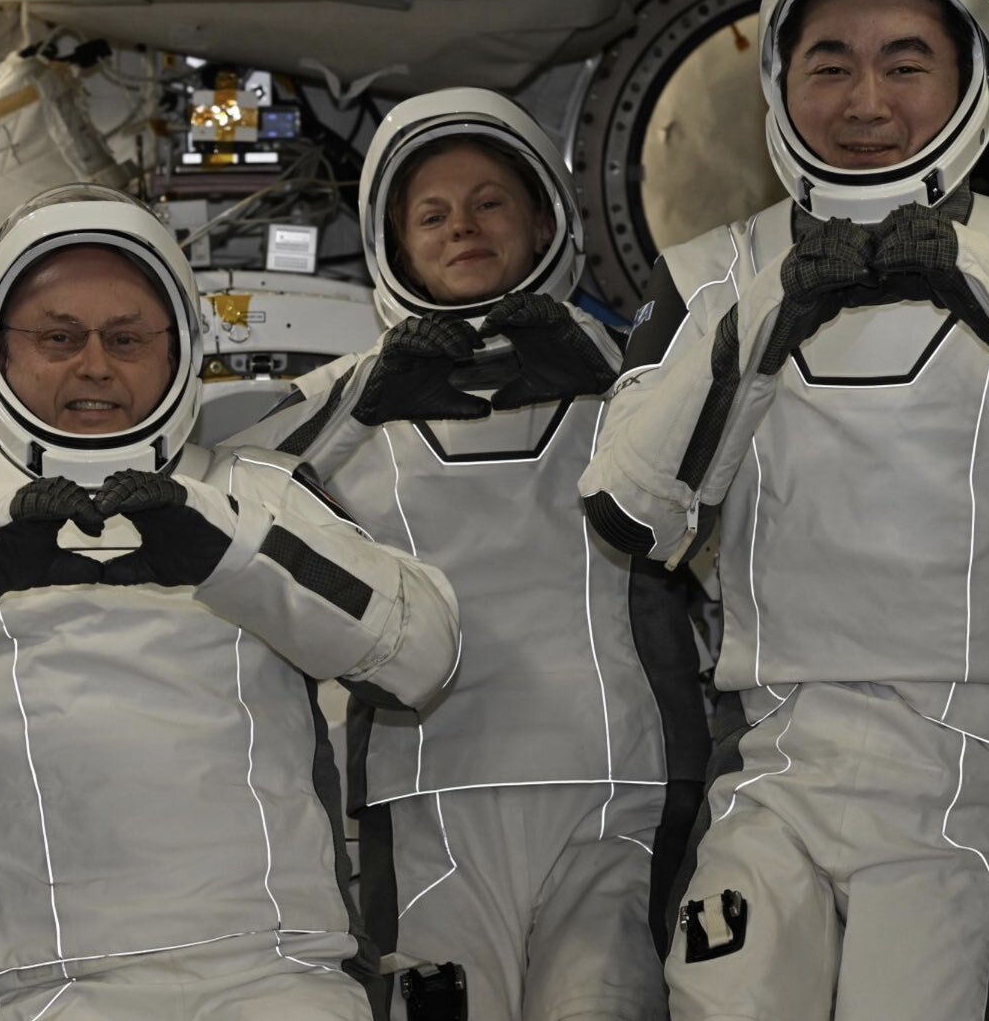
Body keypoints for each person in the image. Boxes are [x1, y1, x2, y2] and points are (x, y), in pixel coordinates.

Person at [577, 0, 989, 1020]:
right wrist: (766, 314)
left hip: (969, 759)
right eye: (830, 65)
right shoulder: (708, 275)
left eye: (905, 65)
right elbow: (628, 512)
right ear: (779, 83)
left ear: (971, 80)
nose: (865, 102)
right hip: (772, 755)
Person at [0, 184, 463, 1021]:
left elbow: (422, 659)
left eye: (126, 339)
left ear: (178, 349)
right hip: (47, 990)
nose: (94, 366)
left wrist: (229, 550)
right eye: (58, 338)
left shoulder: (261, 491)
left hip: (282, 975)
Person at [230, 87, 708, 1021]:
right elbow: (220, 503)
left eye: (490, 203)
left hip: (619, 783)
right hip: (424, 796)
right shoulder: (347, 404)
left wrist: (601, 370)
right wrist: (373, 394)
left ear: (543, 222)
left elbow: (734, 491)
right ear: (395, 245)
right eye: (433, 215)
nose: (463, 228)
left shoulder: (639, 379)